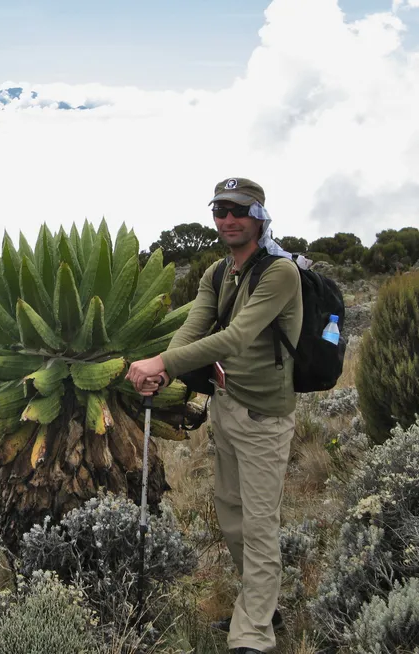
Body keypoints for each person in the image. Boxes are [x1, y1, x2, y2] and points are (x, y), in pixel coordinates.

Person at [126, 177, 302, 654]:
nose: (228, 219)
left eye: (239, 210)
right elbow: (193, 327)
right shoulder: (217, 273)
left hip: (265, 417)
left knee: (260, 524)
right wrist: (167, 368)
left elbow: (236, 337)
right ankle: (262, 604)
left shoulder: (280, 274)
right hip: (225, 409)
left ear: (259, 216)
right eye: (220, 211)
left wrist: (162, 364)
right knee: (231, 518)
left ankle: (254, 635)